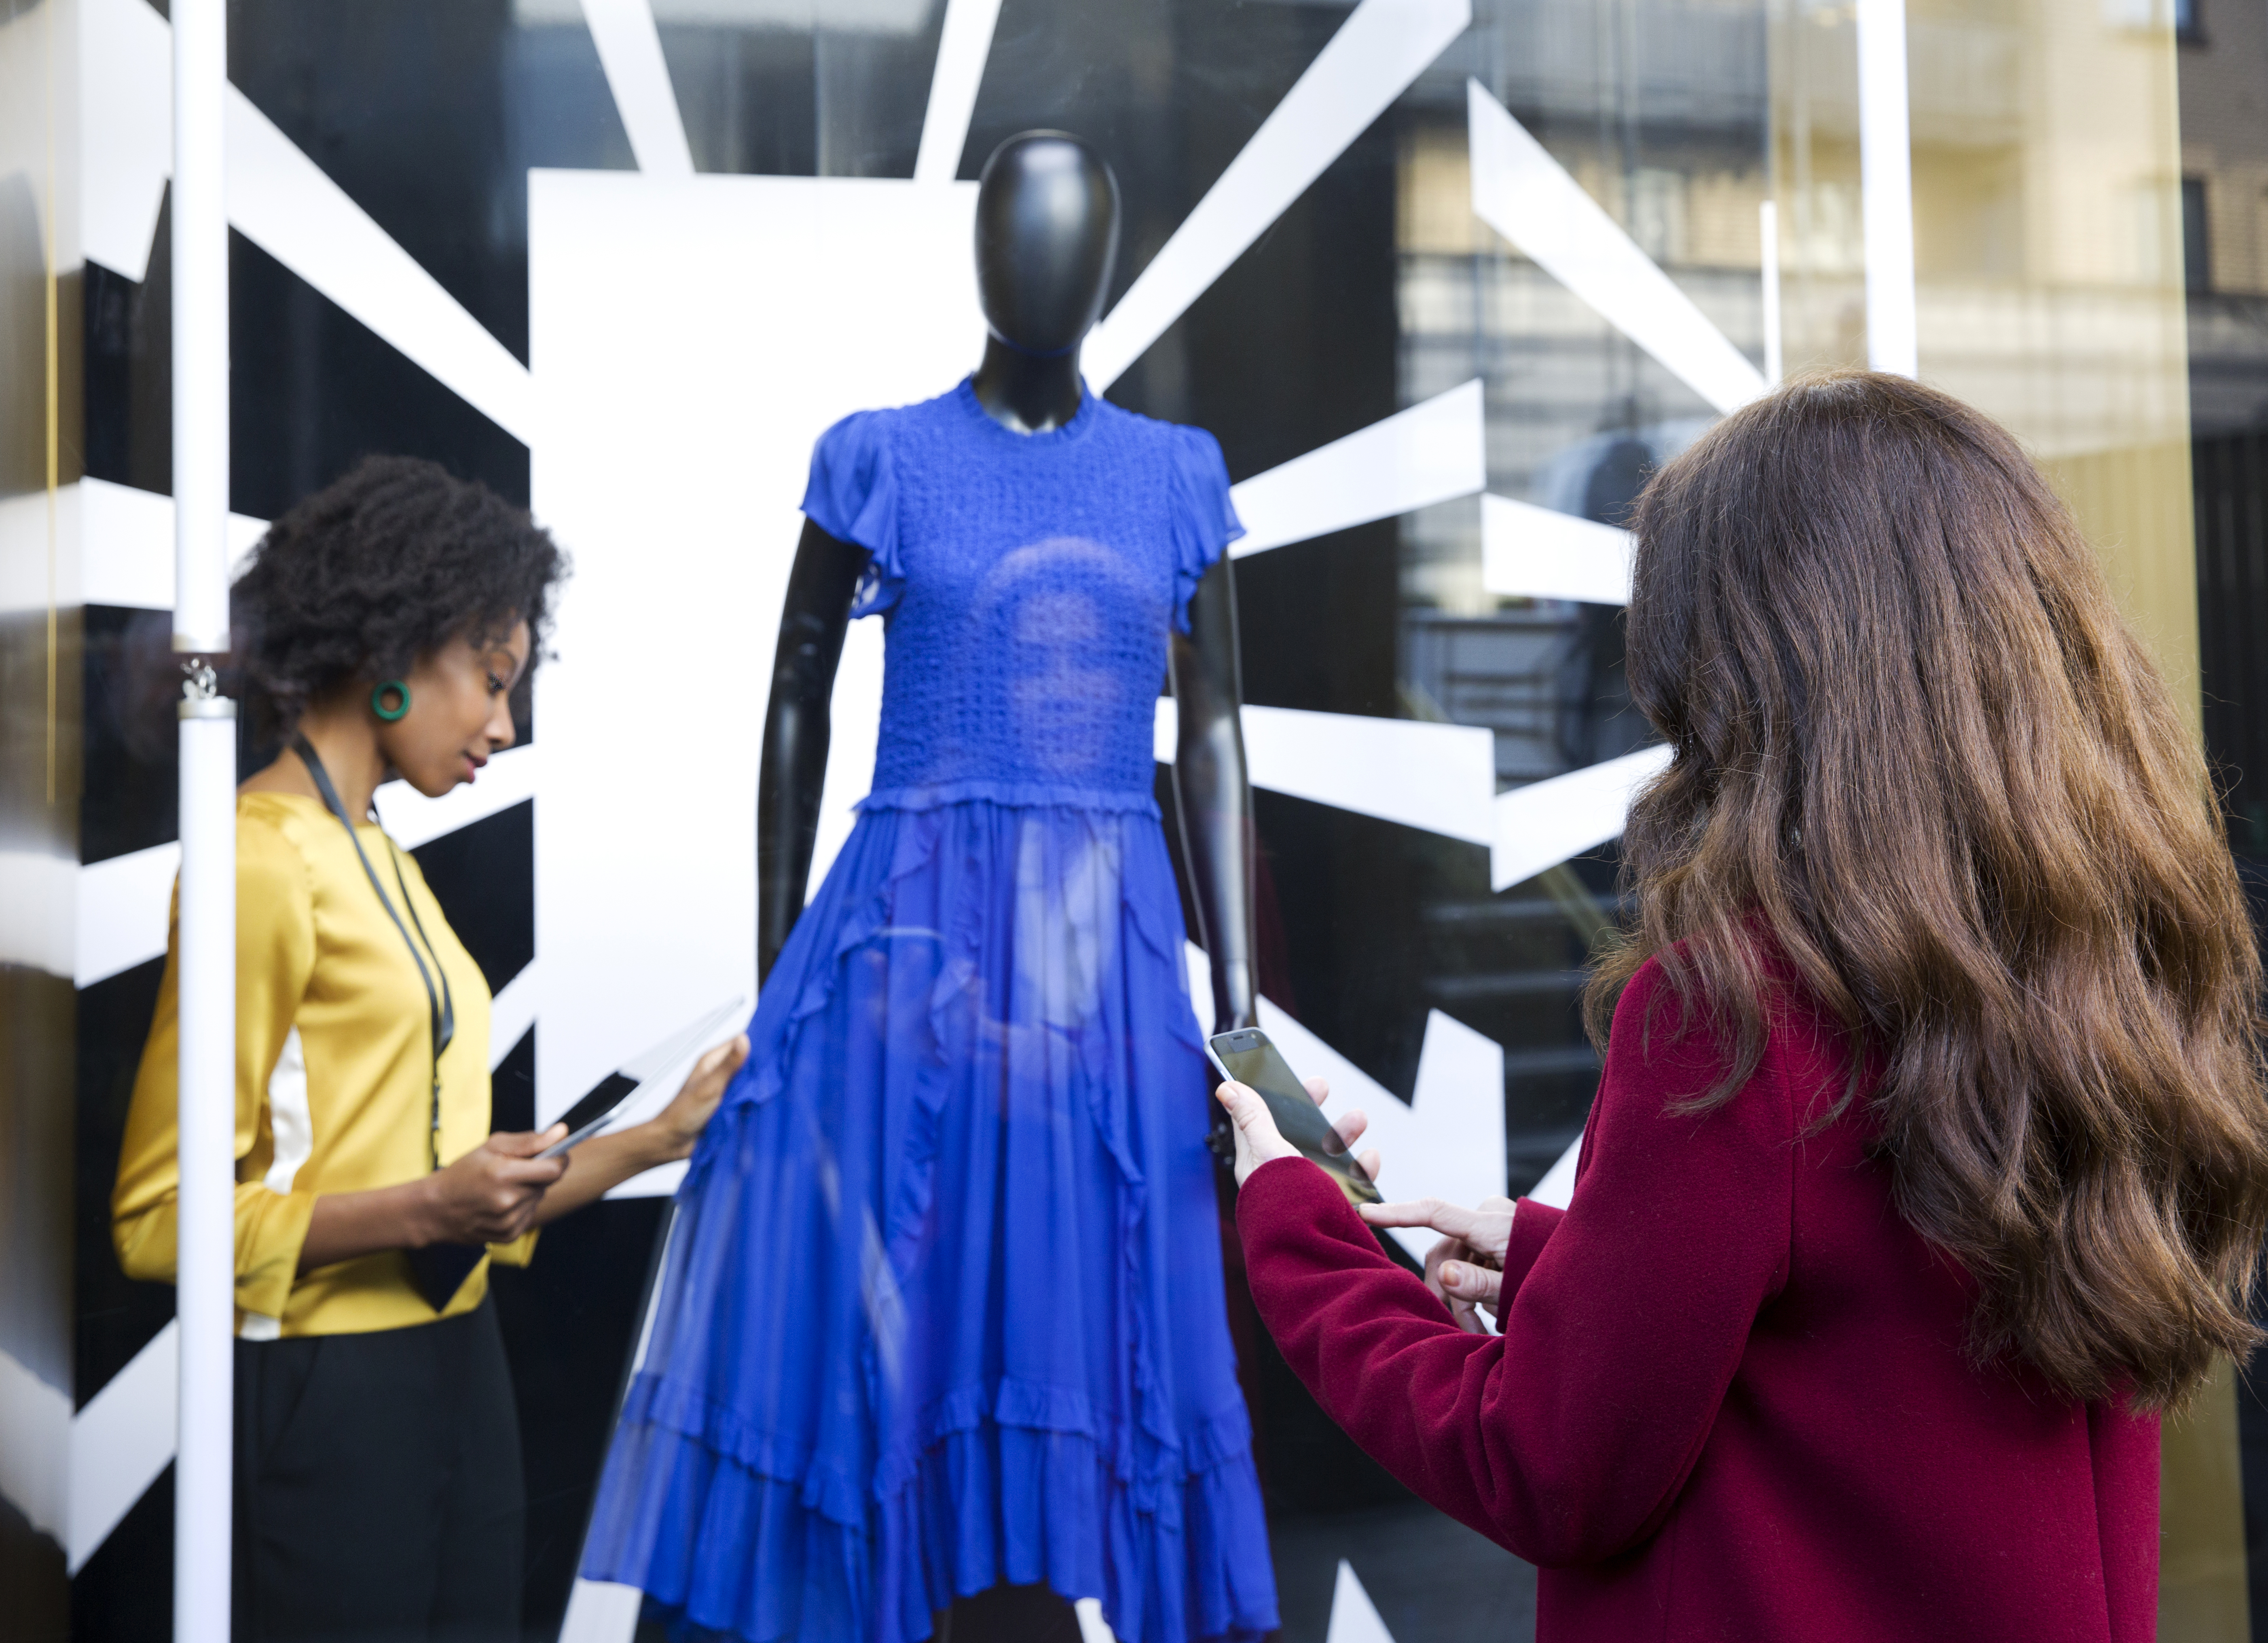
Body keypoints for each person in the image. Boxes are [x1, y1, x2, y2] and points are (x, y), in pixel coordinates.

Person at [1211, 371, 2268, 1643]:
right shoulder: (2098, 961)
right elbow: (1869, 1325)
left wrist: (1302, 1229)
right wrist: (1566, 1260)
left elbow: (1544, 1468)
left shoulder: (1738, 1009)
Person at [113, 456, 749, 1643]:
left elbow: (469, 1203)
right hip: (333, 1394)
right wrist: (426, 1210)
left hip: (461, 1363)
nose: (506, 726)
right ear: (395, 648)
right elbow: (159, 1224)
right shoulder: (260, 858)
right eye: (493, 680)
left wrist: (665, 1134)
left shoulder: (384, 859)